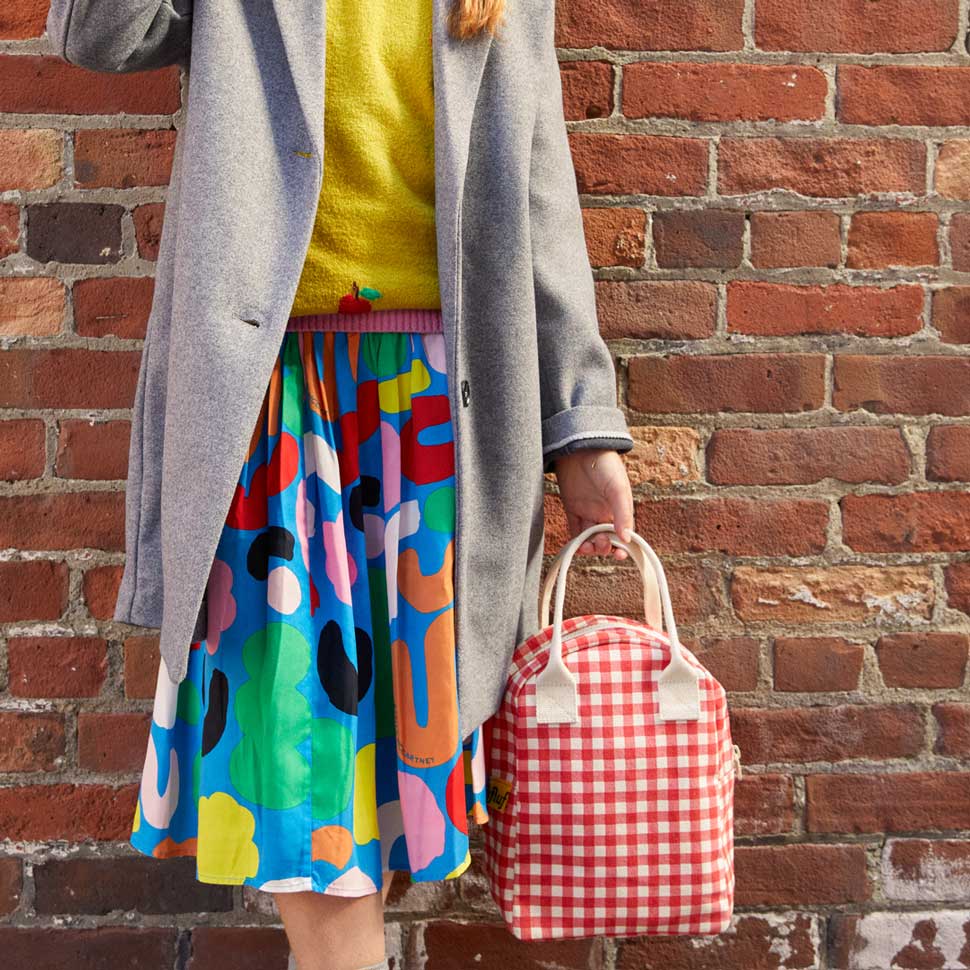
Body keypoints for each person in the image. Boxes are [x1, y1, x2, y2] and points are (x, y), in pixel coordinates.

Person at [45, 1, 636, 968]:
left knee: (389, 800)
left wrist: (579, 423)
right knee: (299, 786)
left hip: (443, 412)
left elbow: (539, 181)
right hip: (269, 402)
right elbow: (99, 35)